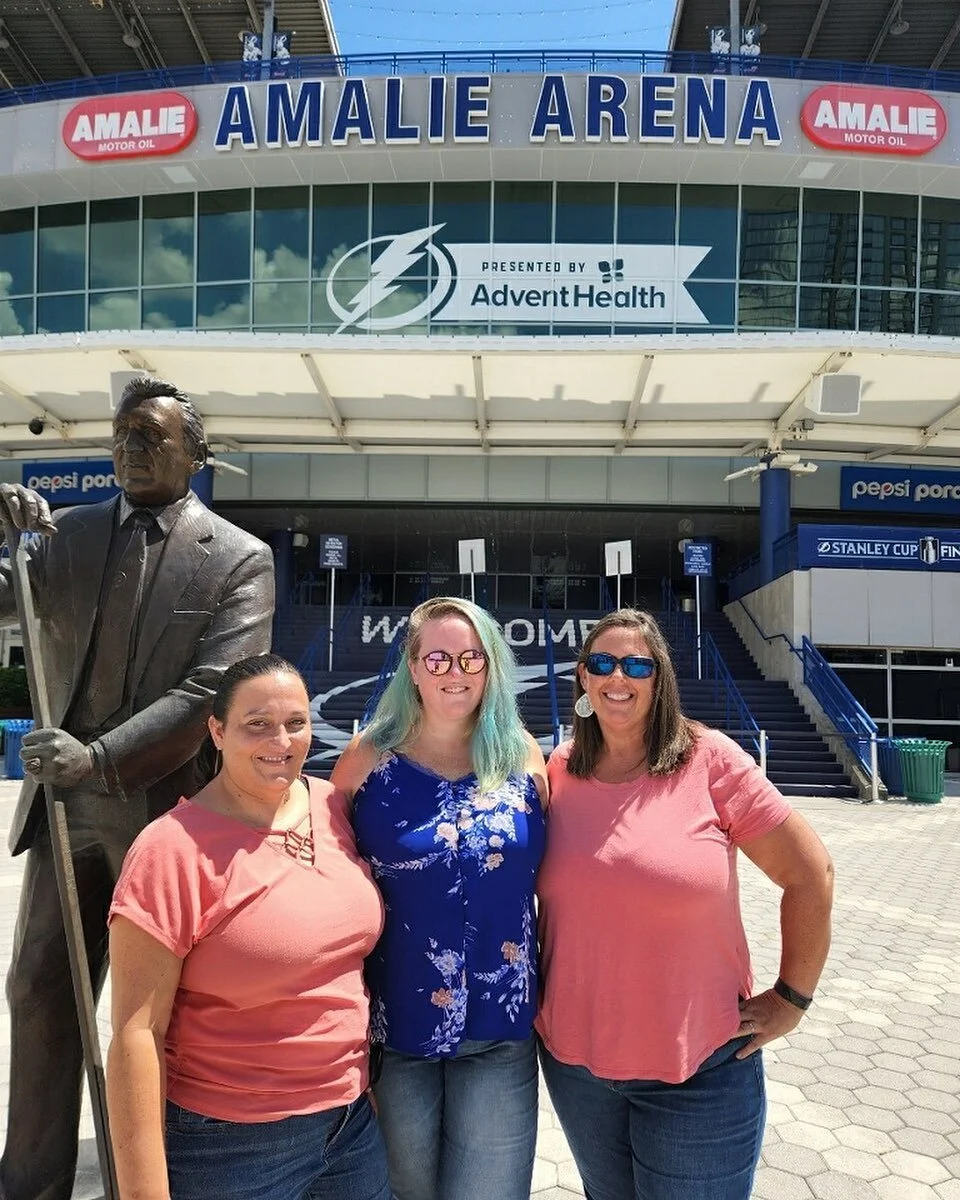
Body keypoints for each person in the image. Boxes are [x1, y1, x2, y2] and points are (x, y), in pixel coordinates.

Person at [0, 377, 275, 1200]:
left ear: (196, 455)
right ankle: (31, 1181)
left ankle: (156, 1178)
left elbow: (209, 692)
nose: (131, 447)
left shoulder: (237, 556)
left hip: (165, 810)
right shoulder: (67, 536)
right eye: (123, 434)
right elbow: (7, 602)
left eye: (152, 437)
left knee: (159, 1012)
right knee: (40, 986)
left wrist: (100, 756)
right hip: (64, 810)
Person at [537, 608, 834, 1200]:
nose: (618, 677)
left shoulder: (710, 758)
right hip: (577, 1067)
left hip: (700, 1071)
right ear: (583, 678)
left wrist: (792, 998)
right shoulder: (559, 769)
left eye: (636, 664)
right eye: (603, 662)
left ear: (660, 678)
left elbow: (811, 874)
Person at [107, 653, 390, 1199]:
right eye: (256, 724)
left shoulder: (332, 807)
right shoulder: (172, 851)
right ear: (217, 731)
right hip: (229, 1147)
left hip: (350, 1129)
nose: (280, 740)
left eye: (296, 723)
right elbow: (136, 1036)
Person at [331, 596, 547, 1200]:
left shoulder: (523, 758)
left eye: (472, 657)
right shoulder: (367, 761)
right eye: (439, 657)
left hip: (500, 1032)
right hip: (395, 1032)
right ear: (413, 665)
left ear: (491, 664)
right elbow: (326, 874)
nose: (456, 671)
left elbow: (557, 882)